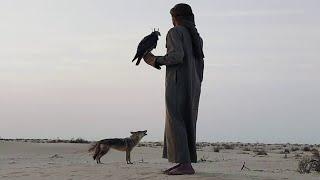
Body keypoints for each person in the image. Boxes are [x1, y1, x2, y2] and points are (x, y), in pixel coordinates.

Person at [143, 3, 204, 175]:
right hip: (194, 85)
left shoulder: (175, 32)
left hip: (177, 83)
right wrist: (197, 82)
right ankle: (184, 163)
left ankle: (185, 164)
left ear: (175, 18)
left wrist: (155, 60)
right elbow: (200, 64)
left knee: (175, 120)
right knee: (187, 121)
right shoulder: (197, 38)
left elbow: (177, 56)